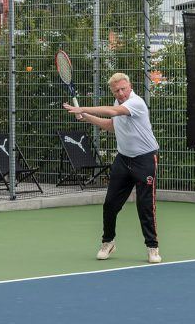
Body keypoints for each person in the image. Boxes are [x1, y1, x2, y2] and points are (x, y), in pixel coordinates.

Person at [63, 72, 162, 264]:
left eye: (123, 89)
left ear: (130, 86)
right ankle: (108, 242)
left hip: (145, 159)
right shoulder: (118, 104)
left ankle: (152, 247)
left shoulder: (136, 103)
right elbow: (112, 125)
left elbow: (113, 113)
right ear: (113, 91)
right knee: (110, 205)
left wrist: (81, 107)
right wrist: (86, 116)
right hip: (123, 160)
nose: (121, 93)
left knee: (145, 206)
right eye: (117, 90)